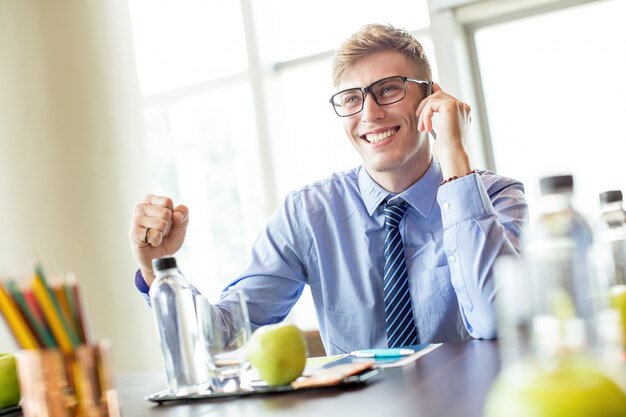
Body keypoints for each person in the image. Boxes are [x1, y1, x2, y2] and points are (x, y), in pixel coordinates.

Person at [129, 23, 527, 354]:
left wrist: (454, 152)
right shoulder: (308, 214)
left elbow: (496, 319)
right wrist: (159, 269)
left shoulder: (495, 198)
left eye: (388, 89)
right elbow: (220, 337)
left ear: (430, 96)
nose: (370, 114)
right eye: (352, 98)